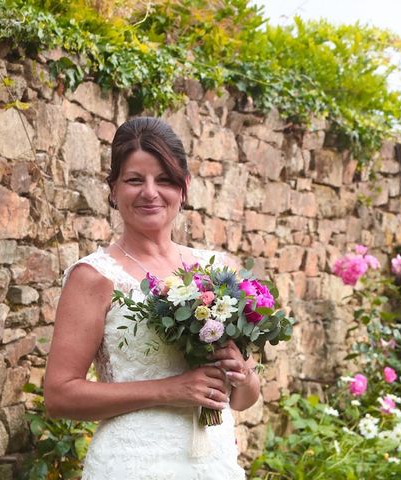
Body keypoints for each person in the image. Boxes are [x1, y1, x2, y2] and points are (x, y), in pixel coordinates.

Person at [44, 116, 260, 479]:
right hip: (134, 464)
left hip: (213, 463)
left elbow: (243, 399)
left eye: (164, 180)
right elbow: (60, 396)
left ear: (184, 187)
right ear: (113, 189)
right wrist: (169, 390)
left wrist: (242, 374)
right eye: (134, 180)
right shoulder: (94, 276)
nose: (149, 192)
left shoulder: (217, 271)